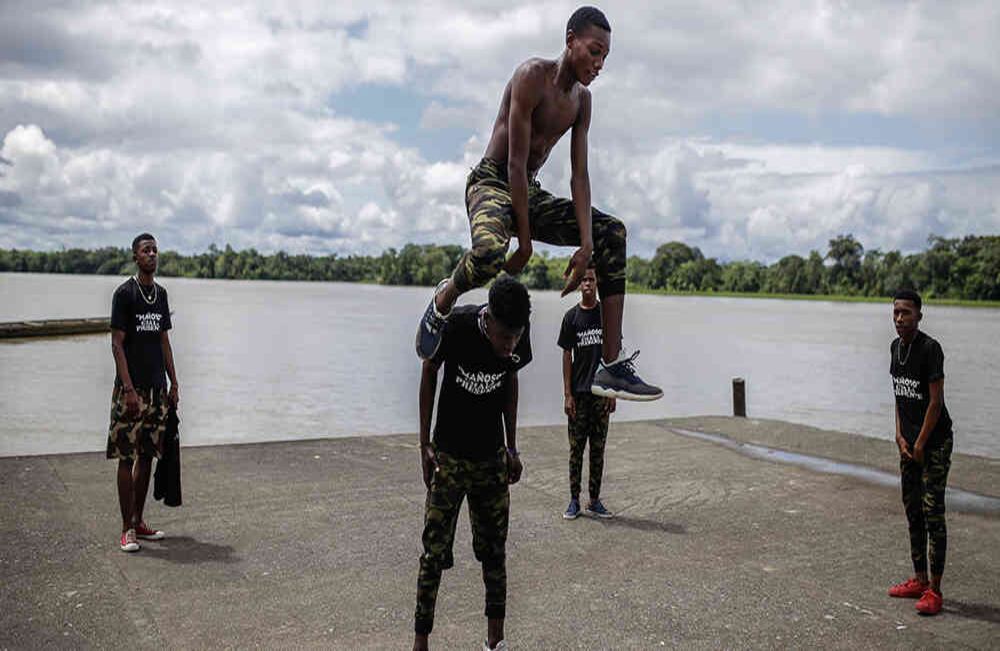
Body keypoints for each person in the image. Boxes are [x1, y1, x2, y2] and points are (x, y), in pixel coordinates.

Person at [415, 5, 661, 402]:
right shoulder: (531, 76)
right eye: (594, 52)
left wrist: (586, 246)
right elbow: (514, 160)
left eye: (605, 58)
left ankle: (610, 366)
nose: (599, 64)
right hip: (492, 181)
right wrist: (525, 243)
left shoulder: (583, 101)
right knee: (491, 251)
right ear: (570, 41)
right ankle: (445, 298)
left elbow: (579, 176)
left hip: (529, 188)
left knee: (612, 233)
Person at [413, 276, 532, 651]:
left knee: (494, 553)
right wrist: (424, 444)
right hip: (449, 456)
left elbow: (511, 381)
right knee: (433, 553)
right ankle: (420, 642)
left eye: (515, 338)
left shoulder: (516, 333)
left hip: (490, 458)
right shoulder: (458, 325)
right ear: (488, 320)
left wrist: (512, 447)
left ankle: (495, 642)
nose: (508, 345)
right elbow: (429, 370)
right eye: (502, 337)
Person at [107, 233, 179, 552]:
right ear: (135, 257)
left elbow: (164, 341)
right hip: (131, 391)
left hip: (156, 390)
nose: (152, 254)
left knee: (148, 454)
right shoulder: (125, 294)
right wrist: (128, 389)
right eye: (145, 250)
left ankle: (138, 520)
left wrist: (173, 383)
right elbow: (117, 344)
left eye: (154, 250)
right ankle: (126, 529)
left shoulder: (160, 295)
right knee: (126, 456)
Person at [886, 289, 954, 616]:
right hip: (908, 444)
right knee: (913, 510)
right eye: (896, 312)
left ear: (919, 316)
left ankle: (935, 590)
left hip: (934, 444)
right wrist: (899, 435)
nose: (900, 318)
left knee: (933, 514)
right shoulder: (895, 348)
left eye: (906, 313)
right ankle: (918, 579)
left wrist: (922, 443)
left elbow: (936, 403)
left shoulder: (930, 349)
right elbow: (899, 396)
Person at [558, 263, 616, 519]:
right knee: (576, 450)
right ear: (578, 285)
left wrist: (614, 391)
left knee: (598, 450)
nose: (587, 285)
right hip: (579, 395)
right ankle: (573, 501)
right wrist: (567, 394)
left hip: (602, 394)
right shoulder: (571, 317)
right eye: (583, 280)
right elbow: (566, 356)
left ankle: (594, 500)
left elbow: (615, 353)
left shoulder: (607, 315)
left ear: (597, 283)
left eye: (591, 280)